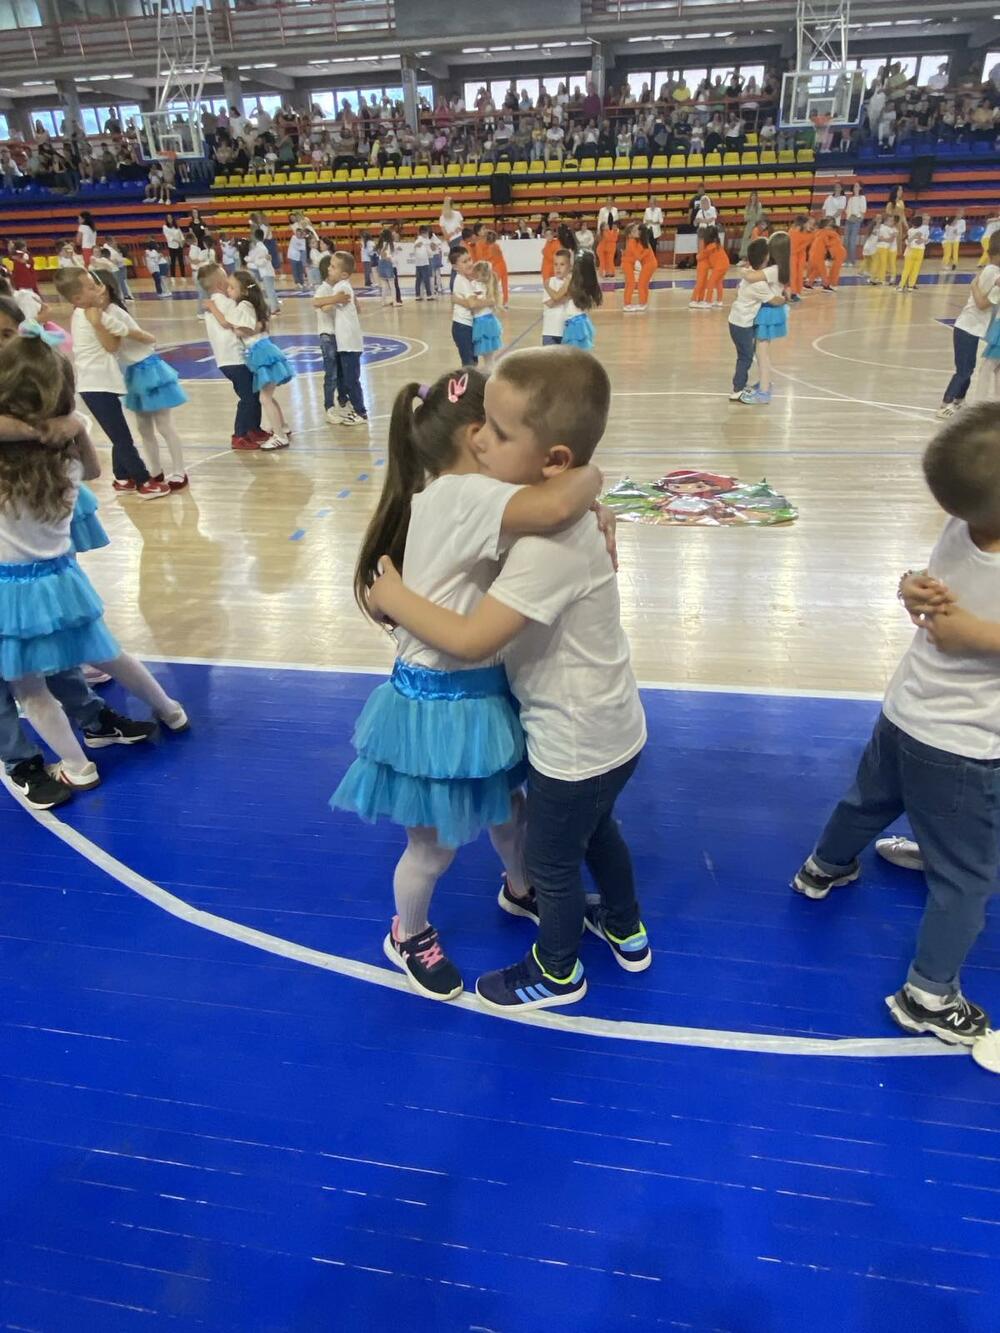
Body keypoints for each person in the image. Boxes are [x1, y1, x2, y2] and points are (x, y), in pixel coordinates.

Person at [367, 348, 649, 1012]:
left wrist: (590, 486)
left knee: (508, 809)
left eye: (498, 430)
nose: (486, 441)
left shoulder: (481, 497)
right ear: (470, 444)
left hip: (480, 695)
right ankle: (408, 933)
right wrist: (591, 475)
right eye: (485, 431)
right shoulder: (469, 494)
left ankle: (521, 886)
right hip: (437, 705)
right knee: (433, 847)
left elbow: (558, 501)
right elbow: (559, 503)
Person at [792, 402, 1000, 1046]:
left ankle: (824, 868)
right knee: (967, 876)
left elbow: (932, 578)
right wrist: (974, 634)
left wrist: (911, 583)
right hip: (964, 745)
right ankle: (929, 995)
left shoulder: (963, 523)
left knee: (871, 799)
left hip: (905, 713)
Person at [0, 329, 187, 791]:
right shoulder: (64, 463)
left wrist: (32, 427)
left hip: (11, 588)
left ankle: (77, 766)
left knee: (28, 687)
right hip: (63, 577)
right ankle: (170, 709)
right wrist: (72, 425)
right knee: (108, 652)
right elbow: (98, 470)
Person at [52, 268, 170, 499]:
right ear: (77, 298)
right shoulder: (90, 316)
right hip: (96, 385)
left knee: (117, 432)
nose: (97, 289)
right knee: (122, 437)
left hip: (101, 384)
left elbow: (119, 328)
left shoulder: (89, 312)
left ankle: (122, 477)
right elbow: (114, 343)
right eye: (90, 287)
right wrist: (148, 337)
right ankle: (143, 482)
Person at [90, 272, 188, 490]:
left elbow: (136, 336)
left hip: (149, 369)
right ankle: (155, 471)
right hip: (133, 372)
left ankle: (180, 471)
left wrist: (148, 338)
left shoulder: (113, 312)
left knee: (164, 425)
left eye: (94, 287)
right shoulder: (98, 314)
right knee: (144, 429)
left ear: (104, 289)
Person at [198, 262, 267, 452]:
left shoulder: (213, 305)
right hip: (235, 358)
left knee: (252, 394)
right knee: (248, 397)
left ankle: (254, 428)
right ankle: (240, 434)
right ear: (221, 284)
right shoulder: (225, 304)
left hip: (226, 359)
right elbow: (233, 323)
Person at [227, 269, 293, 448]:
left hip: (261, 352)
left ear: (244, 291)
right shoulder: (254, 305)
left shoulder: (243, 306)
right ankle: (283, 427)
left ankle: (280, 436)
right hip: (263, 350)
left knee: (265, 398)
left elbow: (244, 329)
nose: (228, 291)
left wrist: (233, 327)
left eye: (232, 288)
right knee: (268, 395)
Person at [937, 231, 1000, 419]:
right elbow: (982, 304)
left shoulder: (992, 271)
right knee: (964, 370)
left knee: (969, 368)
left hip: (974, 328)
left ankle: (959, 400)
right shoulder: (992, 271)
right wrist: (975, 287)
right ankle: (946, 403)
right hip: (968, 327)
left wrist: (974, 285)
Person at [314, 252, 367, 428]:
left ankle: (360, 411)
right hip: (340, 339)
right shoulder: (337, 287)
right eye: (330, 266)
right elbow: (319, 303)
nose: (331, 268)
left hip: (348, 342)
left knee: (350, 378)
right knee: (340, 376)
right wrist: (333, 299)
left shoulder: (341, 286)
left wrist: (331, 300)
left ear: (343, 273)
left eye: (333, 266)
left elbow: (325, 306)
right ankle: (344, 405)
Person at [727, 236, 782, 403]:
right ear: (765, 258)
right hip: (742, 323)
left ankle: (740, 385)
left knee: (744, 355)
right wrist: (786, 298)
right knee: (746, 357)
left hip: (737, 320)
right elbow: (773, 300)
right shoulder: (759, 285)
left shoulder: (750, 272)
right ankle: (737, 389)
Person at [741, 231, 789, 406]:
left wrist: (743, 268)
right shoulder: (783, 267)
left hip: (768, 312)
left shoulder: (772, 270)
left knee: (762, 353)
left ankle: (764, 391)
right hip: (772, 310)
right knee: (761, 351)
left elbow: (751, 276)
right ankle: (764, 382)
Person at [449, 246, 482, 368]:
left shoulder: (470, 280)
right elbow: (472, 304)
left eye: (469, 260)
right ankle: (467, 386)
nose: (469, 263)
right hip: (462, 327)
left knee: (473, 361)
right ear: (455, 267)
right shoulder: (461, 281)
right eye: (464, 262)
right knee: (469, 364)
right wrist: (488, 301)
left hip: (470, 325)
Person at [471, 261, 504, 371]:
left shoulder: (477, 285)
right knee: (489, 357)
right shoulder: (480, 285)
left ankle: (490, 373)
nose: (474, 275)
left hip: (483, 322)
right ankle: (490, 370)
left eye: (476, 273)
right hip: (487, 321)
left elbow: (475, 305)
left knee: (488, 356)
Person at [689, 225, 729, 310]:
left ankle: (708, 301)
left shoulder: (711, 245)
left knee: (711, 283)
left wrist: (697, 257)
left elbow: (702, 254)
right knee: (718, 283)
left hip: (720, 266)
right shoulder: (716, 242)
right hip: (724, 264)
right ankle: (719, 301)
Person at [621, 222, 658, 313]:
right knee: (632, 284)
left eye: (637, 230)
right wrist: (646, 251)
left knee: (639, 284)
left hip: (641, 264)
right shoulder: (632, 241)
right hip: (627, 264)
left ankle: (641, 303)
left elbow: (638, 256)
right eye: (635, 230)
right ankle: (628, 304)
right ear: (630, 234)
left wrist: (646, 251)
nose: (637, 231)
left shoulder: (637, 241)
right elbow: (637, 256)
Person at [542, 249, 572, 346]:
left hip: (567, 330)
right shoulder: (549, 282)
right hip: (550, 331)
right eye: (556, 264)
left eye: (562, 264)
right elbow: (550, 303)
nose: (558, 268)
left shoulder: (573, 283)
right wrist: (567, 296)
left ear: (569, 267)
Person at [247, 228, 280, 314]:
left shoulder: (259, 248)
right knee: (271, 290)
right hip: (268, 272)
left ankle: (274, 309)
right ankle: (276, 307)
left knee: (269, 291)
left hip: (266, 272)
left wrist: (255, 261)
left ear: (255, 237)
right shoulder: (262, 246)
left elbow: (260, 262)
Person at [899, 214, 931, 293]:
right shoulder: (923, 229)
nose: (926, 221)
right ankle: (910, 286)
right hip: (918, 250)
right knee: (914, 269)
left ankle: (903, 286)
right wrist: (923, 240)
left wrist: (922, 240)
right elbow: (924, 240)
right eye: (925, 220)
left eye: (928, 220)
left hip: (913, 250)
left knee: (909, 269)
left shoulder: (912, 230)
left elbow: (910, 241)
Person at [788, 214, 814, 302]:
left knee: (800, 274)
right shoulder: (792, 232)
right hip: (792, 255)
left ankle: (797, 292)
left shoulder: (808, 233)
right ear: (802, 224)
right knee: (793, 274)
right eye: (807, 223)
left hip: (801, 255)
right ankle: (793, 293)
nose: (809, 225)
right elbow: (793, 248)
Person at [483, 230, 509, 308]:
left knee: (492, 285)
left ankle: (493, 301)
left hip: (496, 267)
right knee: (504, 284)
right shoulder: (496, 245)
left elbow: (489, 257)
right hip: (503, 265)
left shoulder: (491, 247)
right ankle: (505, 302)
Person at [844, 183, 867, 265]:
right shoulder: (851, 199)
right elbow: (847, 210)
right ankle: (846, 260)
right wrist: (849, 217)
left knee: (852, 241)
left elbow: (863, 210)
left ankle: (852, 261)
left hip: (856, 220)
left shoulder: (862, 198)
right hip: (849, 220)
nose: (855, 187)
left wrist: (859, 218)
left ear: (860, 188)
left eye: (857, 186)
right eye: (854, 186)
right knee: (846, 240)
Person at [374, 227, 396, 308]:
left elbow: (379, 254)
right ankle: (394, 301)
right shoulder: (388, 244)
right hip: (387, 264)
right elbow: (386, 255)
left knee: (384, 285)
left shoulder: (379, 244)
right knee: (392, 284)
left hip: (380, 264)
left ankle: (383, 301)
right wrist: (389, 258)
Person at [739, 190, 765, 259]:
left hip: (756, 225)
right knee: (746, 240)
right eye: (752, 196)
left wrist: (751, 217)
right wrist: (751, 217)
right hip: (748, 225)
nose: (753, 197)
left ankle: (753, 256)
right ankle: (745, 256)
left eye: (754, 196)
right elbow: (745, 217)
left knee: (753, 240)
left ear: (756, 197)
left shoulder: (759, 205)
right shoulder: (748, 206)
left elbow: (758, 216)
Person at [411, 225, 433, 301]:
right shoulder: (426, 241)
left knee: (418, 280)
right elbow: (430, 252)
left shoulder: (417, 241)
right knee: (426, 279)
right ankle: (429, 295)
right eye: (427, 233)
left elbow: (414, 251)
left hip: (418, 264)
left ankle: (417, 295)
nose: (427, 235)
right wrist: (431, 255)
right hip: (424, 263)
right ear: (425, 233)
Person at [162, 214, 186, 280]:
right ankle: (173, 276)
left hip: (179, 246)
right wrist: (177, 241)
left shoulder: (176, 227)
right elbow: (168, 237)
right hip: (172, 246)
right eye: (168, 218)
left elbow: (181, 235)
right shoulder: (165, 227)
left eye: (170, 218)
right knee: (173, 262)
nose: (169, 219)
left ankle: (183, 276)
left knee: (181, 261)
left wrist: (182, 242)